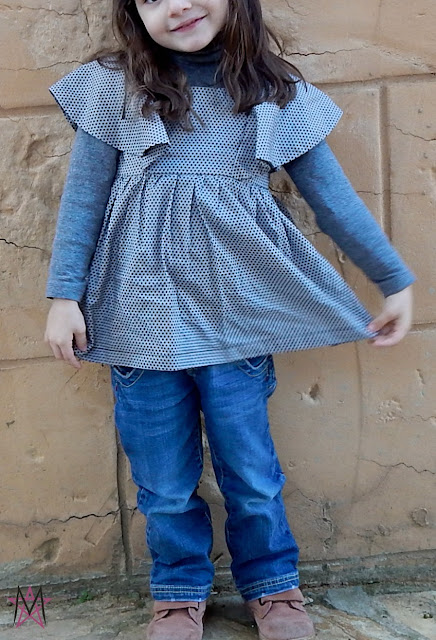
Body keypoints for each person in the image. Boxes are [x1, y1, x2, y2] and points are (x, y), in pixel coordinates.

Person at [44, 0, 415, 638]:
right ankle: (177, 590)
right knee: (162, 481)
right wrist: (63, 297)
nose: (177, 5)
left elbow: (332, 199)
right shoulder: (115, 89)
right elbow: (82, 201)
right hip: (139, 323)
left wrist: (392, 278)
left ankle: (273, 585)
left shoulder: (271, 94)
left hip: (234, 319)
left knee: (251, 474)